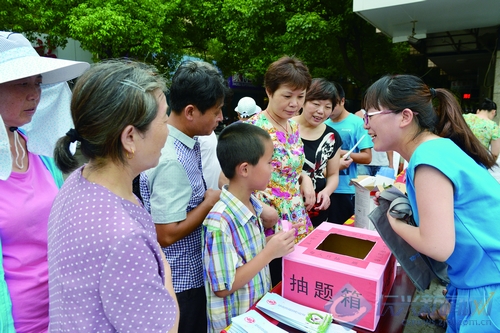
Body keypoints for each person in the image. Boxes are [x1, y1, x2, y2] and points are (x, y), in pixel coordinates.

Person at [48, 60, 179, 332]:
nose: (168, 130)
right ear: (130, 137)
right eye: (165, 120)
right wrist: (161, 265)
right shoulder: (124, 239)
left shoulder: (77, 182)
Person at [363, 74, 500, 331]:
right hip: (476, 280)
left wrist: (393, 220)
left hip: (490, 288)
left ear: (405, 116)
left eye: (370, 116)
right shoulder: (437, 149)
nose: (365, 126)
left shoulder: (428, 159)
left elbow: (437, 246)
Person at [0, 31, 89, 332]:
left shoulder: (39, 152)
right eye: (22, 83)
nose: (34, 94)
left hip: (60, 313)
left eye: (38, 83)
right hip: (16, 322)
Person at [144, 60, 226, 332]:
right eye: (216, 111)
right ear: (191, 111)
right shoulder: (172, 159)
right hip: (181, 282)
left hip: (190, 275)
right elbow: (165, 233)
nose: (221, 118)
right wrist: (208, 202)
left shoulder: (184, 143)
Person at [202, 122, 297, 333]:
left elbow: (245, 255)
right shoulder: (219, 221)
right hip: (236, 324)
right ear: (245, 169)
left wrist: (271, 243)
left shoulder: (252, 205)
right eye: (270, 162)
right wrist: (269, 253)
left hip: (256, 316)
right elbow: (223, 287)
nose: (274, 168)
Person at [245, 55, 315, 286]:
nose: (294, 104)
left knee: (298, 282)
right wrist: (260, 209)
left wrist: (305, 178)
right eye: (287, 96)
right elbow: (228, 180)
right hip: (267, 219)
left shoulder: (293, 125)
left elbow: (291, 166)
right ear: (269, 91)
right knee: (275, 283)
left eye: (301, 97)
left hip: (296, 216)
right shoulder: (253, 129)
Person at [293, 78, 342, 227]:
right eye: (316, 104)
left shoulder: (332, 137)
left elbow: (333, 174)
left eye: (328, 107)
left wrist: (326, 192)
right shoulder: (286, 130)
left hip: (317, 209)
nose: (321, 111)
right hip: (288, 206)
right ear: (303, 101)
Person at [324, 82, 372, 224]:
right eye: (327, 106)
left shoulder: (357, 123)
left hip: (346, 189)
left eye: (333, 105)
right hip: (324, 189)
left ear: (343, 101)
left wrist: (342, 152)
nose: (328, 110)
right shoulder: (323, 125)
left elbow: (367, 157)